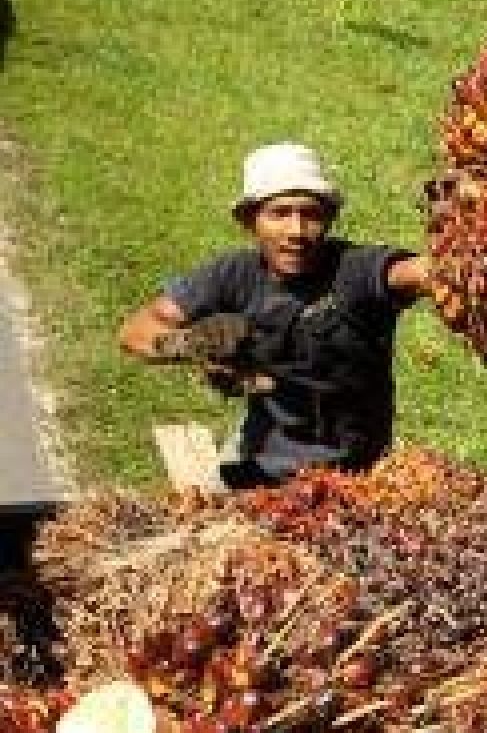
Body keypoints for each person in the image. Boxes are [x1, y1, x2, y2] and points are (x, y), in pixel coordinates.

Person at [119, 142, 430, 489]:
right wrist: (187, 344)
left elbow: (414, 273)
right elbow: (135, 332)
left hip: (358, 472)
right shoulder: (233, 275)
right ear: (250, 220)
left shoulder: (356, 271)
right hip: (260, 466)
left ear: (329, 219)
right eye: (279, 213)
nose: (296, 231)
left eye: (310, 214)